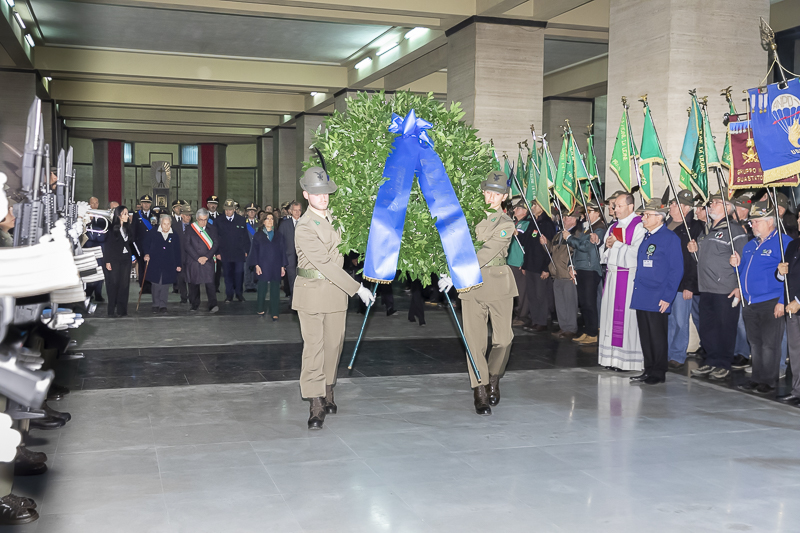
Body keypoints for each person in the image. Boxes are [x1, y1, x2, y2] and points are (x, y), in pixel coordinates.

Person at [293, 167, 374, 429]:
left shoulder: (338, 218)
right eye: (317, 193)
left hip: (335, 293)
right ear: (306, 195)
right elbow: (325, 264)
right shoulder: (304, 226)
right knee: (314, 347)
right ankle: (315, 401)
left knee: (334, 345)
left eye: (326, 192)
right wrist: (358, 288)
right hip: (313, 291)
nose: (323, 197)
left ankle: (328, 387)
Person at [444, 170, 516, 416]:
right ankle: (480, 390)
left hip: (497, 283)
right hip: (471, 286)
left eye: (496, 193)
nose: (490, 197)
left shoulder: (506, 223)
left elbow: (486, 253)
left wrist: (456, 272)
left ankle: (493, 377)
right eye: (487, 191)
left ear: (504, 196)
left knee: (503, 339)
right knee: (474, 342)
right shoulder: (466, 218)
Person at [687, 194, 747, 381]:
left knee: (725, 327)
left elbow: (743, 261)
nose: (710, 205)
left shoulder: (735, 230)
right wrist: (694, 252)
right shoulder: (706, 230)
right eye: (711, 202)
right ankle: (711, 360)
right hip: (705, 287)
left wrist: (739, 286)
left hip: (725, 289)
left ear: (727, 207)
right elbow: (704, 261)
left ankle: (723, 363)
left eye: (715, 202)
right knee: (707, 328)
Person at [733, 201, 788, 395]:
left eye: (755, 221)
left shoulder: (783, 242)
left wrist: (782, 301)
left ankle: (768, 380)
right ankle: (756, 378)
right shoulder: (750, 245)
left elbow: (789, 276)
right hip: (751, 301)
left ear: (770, 222)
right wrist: (737, 265)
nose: (752, 225)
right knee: (755, 342)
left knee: (769, 344)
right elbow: (744, 273)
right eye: (751, 222)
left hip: (771, 300)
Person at [629, 200, 684, 385]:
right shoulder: (647, 236)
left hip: (657, 295)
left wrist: (667, 297)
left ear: (659, 217)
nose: (643, 218)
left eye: (647, 215)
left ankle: (659, 372)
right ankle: (649, 368)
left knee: (657, 336)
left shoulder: (669, 238)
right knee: (645, 335)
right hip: (643, 293)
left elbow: (676, 270)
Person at [598, 192, 646, 372]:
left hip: (629, 278)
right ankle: (611, 358)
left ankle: (627, 361)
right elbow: (605, 252)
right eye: (614, 206)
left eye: (618, 206)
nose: (614, 209)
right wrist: (609, 246)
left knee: (626, 319)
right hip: (613, 276)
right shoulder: (613, 227)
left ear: (630, 206)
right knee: (610, 317)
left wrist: (616, 244)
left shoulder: (639, 226)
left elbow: (637, 254)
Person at [665, 190, 703, 369]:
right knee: (668, 320)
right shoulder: (666, 225)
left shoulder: (694, 227)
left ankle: (677, 355)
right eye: (672, 203)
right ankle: (665, 352)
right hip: (666, 282)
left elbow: (694, 261)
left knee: (680, 321)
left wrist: (690, 285)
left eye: (675, 204)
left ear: (686, 208)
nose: (671, 206)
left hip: (682, 283)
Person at [568, 200, 605, 345]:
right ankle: (588, 329)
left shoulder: (599, 228)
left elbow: (586, 247)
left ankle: (593, 332)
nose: (586, 215)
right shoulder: (587, 228)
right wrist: (572, 265)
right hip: (582, 267)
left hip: (590, 269)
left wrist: (569, 238)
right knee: (584, 302)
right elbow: (578, 250)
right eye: (586, 212)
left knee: (589, 302)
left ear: (597, 213)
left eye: (589, 212)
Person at [542, 206, 582, 339]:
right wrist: (545, 243)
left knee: (570, 303)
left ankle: (571, 328)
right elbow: (553, 250)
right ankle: (563, 327)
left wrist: (573, 267)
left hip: (567, 274)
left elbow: (578, 251)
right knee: (560, 303)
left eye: (568, 217)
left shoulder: (577, 234)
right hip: (557, 273)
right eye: (563, 217)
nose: (564, 219)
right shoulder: (559, 234)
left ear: (575, 219)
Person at [522, 199, 556, 332]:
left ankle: (541, 321)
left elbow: (550, 248)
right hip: (530, 264)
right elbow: (527, 244)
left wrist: (546, 268)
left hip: (540, 266)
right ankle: (534, 319)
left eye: (535, 205)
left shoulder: (547, 224)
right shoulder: (532, 222)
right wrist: (524, 265)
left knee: (540, 295)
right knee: (531, 295)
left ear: (542, 208)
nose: (532, 207)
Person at [248, 212, 287, 319]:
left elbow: (282, 251)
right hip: (262, 265)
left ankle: (275, 312)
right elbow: (254, 251)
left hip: (276, 265)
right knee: (262, 288)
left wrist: (283, 266)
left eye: (271, 219)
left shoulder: (279, 235)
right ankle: (260, 308)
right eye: (267, 219)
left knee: (275, 289)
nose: (270, 221)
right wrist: (256, 265)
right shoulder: (258, 235)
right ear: (263, 221)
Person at [776, 228, 800, 406]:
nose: (799, 220)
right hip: (792, 308)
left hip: (797, 303)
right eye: (799, 217)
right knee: (795, 353)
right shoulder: (793, 244)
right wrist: (780, 273)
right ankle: (797, 390)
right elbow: (784, 277)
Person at [143, 215, 182, 313]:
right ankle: (155, 304)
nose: (166, 226)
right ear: (161, 224)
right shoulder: (153, 233)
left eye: (168, 224)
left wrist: (178, 264)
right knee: (156, 284)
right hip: (155, 263)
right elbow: (145, 244)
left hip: (168, 264)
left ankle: (163, 305)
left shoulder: (174, 235)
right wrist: (146, 254)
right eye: (164, 224)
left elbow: (177, 250)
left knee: (165, 285)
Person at [184, 208, 220, 313]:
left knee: (210, 283)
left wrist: (207, 257)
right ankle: (194, 304)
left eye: (205, 219)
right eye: (200, 220)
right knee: (194, 283)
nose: (203, 222)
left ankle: (213, 305)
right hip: (194, 260)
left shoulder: (212, 229)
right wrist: (197, 257)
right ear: (196, 219)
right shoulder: (190, 228)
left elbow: (215, 244)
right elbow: (187, 245)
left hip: (207, 259)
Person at [103, 205, 135, 317]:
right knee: (114, 284)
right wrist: (107, 261)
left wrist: (133, 256)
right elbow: (107, 246)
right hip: (114, 259)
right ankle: (111, 310)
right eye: (125, 214)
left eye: (127, 214)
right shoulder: (111, 229)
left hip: (126, 259)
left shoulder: (128, 228)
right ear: (119, 215)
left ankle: (122, 310)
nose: (127, 216)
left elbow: (131, 244)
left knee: (124, 284)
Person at [216, 198, 250, 302]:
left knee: (239, 274)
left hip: (239, 253)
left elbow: (245, 237)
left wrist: (246, 250)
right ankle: (229, 294)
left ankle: (239, 293)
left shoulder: (241, 220)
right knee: (228, 275)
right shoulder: (218, 220)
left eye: (230, 209)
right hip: (225, 253)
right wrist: (217, 252)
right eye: (226, 209)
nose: (228, 212)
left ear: (234, 209)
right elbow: (215, 238)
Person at [508, 197, 532, 327]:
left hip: (519, 262)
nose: (515, 210)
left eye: (518, 208)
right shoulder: (515, 222)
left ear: (524, 211)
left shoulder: (526, 224)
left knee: (522, 291)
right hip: (510, 261)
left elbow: (527, 244)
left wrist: (524, 262)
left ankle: (522, 316)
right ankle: (516, 313)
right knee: (513, 290)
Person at [83, 196, 106, 302]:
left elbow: (104, 229)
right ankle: (88, 292)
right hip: (88, 247)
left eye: (96, 203)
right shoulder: (84, 216)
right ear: (89, 204)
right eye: (92, 203)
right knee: (90, 271)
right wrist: (89, 220)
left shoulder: (101, 217)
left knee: (100, 271)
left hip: (100, 246)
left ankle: (98, 293)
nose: (95, 205)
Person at [279, 200, 302, 302]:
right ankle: (294, 302)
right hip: (290, 258)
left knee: (303, 280)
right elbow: (280, 243)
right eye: (295, 210)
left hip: (303, 257)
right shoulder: (284, 224)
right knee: (292, 280)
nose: (297, 212)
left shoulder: (306, 223)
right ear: (290, 211)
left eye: (299, 210)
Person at [131, 194, 154, 291]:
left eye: (148, 203)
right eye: (144, 203)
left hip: (152, 245)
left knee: (151, 266)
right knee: (141, 267)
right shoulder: (137, 215)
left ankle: (151, 286)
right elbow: (133, 231)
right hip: (140, 245)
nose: (146, 205)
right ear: (141, 204)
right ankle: (143, 286)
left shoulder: (155, 215)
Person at [176, 204, 193, 304]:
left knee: (191, 278)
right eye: (186, 215)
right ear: (181, 215)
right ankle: (183, 296)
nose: (188, 217)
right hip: (180, 256)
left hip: (191, 257)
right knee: (181, 278)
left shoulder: (194, 227)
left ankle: (192, 296)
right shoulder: (175, 226)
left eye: (190, 215)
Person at [243, 202, 260, 293]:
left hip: (256, 248)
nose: (252, 213)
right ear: (247, 212)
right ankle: (248, 285)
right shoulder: (243, 223)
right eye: (250, 211)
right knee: (247, 267)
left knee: (255, 266)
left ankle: (254, 285)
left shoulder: (259, 223)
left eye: (253, 211)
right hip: (247, 248)